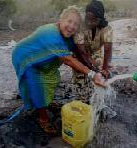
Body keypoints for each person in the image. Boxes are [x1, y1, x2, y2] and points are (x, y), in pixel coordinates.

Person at [12, 6, 106, 135]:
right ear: (61, 20)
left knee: (52, 77)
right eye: (69, 21)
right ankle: (43, 118)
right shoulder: (51, 33)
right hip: (26, 57)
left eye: (76, 24)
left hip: (42, 59)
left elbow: (79, 55)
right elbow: (68, 60)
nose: (71, 26)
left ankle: (46, 103)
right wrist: (92, 75)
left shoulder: (68, 38)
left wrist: (96, 70)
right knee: (36, 84)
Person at [71, 0, 113, 102]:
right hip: (80, 55)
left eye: (93, 20)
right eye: (87, 19)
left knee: (98, 80)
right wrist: (92, 69)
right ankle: (82, 100)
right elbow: (81, 52)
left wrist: (105, 68)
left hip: (96, 53)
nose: (89, 22)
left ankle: (95, 99)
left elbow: (108, 49)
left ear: (100, 18)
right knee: (80, 81)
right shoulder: (80, 27)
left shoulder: (106, 29)